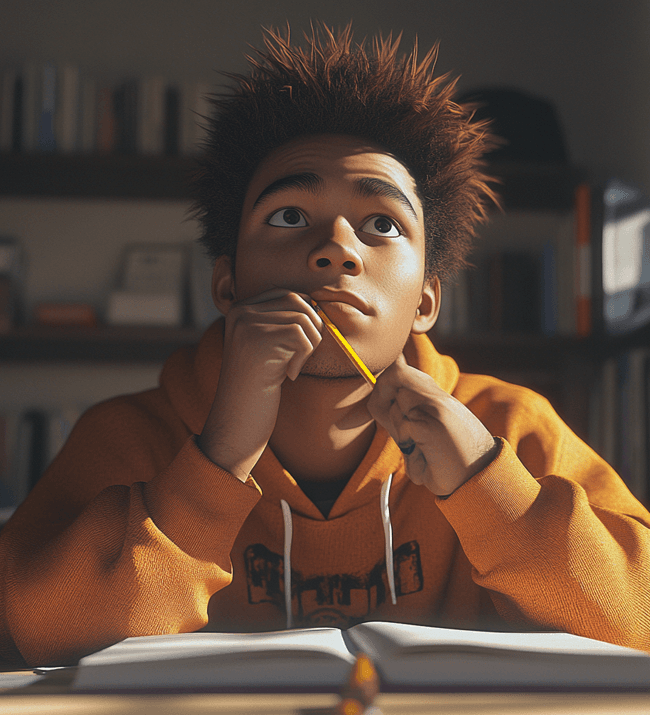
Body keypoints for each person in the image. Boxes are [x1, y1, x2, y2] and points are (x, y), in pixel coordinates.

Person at [1, 23, 649, 668]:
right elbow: (40, 633)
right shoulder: (127, 437)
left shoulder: (510, 426)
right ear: (228, 283)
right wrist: (217, 457)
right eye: (288, 216)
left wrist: (489, 486)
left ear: (427, 298)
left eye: (381, 224)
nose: (337, 247)